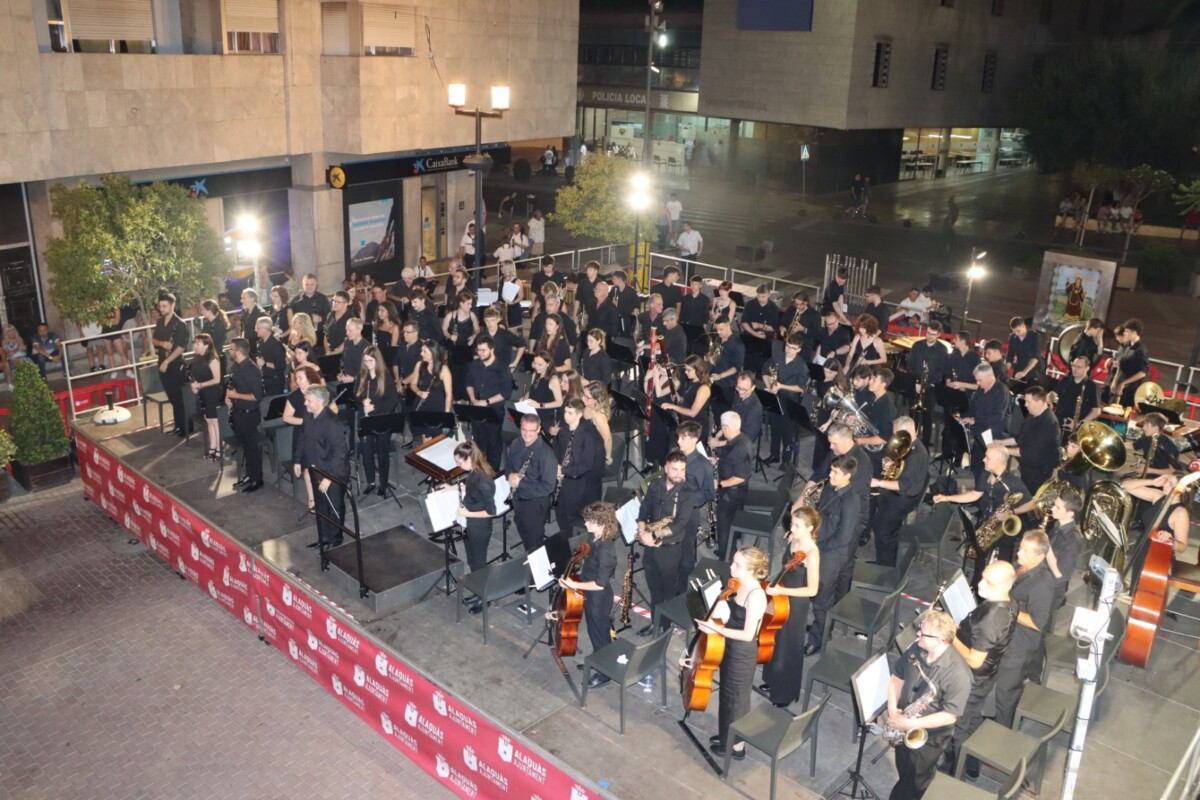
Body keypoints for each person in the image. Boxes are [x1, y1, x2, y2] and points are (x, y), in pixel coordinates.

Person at [886, 610, 973, 800]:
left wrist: (911, 725)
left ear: (940, 640)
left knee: (917, 782)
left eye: (922, 633)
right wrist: (893, 710)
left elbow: (951, 715)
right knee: (904, 770)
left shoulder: (959, 674)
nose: (917, 634)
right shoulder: (917, 648)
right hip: (903, 723)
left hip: (929, 738)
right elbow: (897, 677)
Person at [943, 562, 1018, 778]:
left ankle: (954, 775)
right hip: (987, 677)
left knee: (958, 728)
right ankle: (972, 765)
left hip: (971, 679)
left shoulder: (990, 621)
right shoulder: (1010, 603)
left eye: (988, 582)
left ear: (1005, 585)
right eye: (983, 577)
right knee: (973, 720)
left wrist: (951, 636)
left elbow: (974, 660)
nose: (980, 584)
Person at [694, 546, 768, 760]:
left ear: (750, 570)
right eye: (733, 562)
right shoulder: (738, 584)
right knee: (728, 695)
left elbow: (748, 635)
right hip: (730, 646)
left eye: (737, 565)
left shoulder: (756, 595)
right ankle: (728, 735)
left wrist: (717, 629)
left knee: (737, 699)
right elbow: (732, 615)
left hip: (742, 652)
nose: (731, 567)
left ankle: (736, 747)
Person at [934, 443, 1030, 577]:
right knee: (980, 562)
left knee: (1000, 566)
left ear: (999, 461)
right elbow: (974, 494)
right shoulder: (985, 475)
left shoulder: (1014, 483)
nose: (983, 459)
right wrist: (946, 498)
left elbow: (1031, 504)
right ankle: (977, 586)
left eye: (987, 457)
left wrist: (1011, 513)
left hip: (1004, 530)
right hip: (987, 524)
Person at [992, 531, 1055, 730]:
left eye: (1025, 551)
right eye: (1020, 548)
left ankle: (1003, 732)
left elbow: (1038, 622)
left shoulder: (1042, 584)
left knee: (1006, 692)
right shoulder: (1025, 568)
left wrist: (1006, 603)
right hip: (1010, 633)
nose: (1018, 553)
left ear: (1040, 556)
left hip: (1020, 644)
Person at [761, 506, 821, 707]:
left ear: (809, 527)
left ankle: (785, 694)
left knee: (788, 648)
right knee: (775, 640)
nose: (791, 528)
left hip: (795, 603)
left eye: (797, 525)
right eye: (792, 523)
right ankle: (772, 680)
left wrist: (781, 592)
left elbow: (812, 590)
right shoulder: (793, 539)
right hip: (781, 596)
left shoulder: (812, 553)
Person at [805, 455, 862, 655]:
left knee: (822, 598)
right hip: (821, 546)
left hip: (833, 554)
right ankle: (820, 628)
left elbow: (843, 538)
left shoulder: (851, 502)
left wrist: (816, 546)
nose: (830, 475)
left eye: (835, 473)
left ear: (847, 476)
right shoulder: (830, 488)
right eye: (831, 470)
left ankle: (818, 639)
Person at [637, 450, 697, 636]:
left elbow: (680, 525)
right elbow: (644, 510)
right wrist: (641, 530)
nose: (679, 474)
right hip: (651, 547)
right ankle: (656, 621)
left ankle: (665, 626)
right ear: (665, 468)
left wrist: (653, 533)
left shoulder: (687, 493)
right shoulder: (655, 485)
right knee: (654, 588)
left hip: (670, 550)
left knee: (668, 591)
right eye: (674, 469)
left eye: (682, 470)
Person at [560, 501, 620, 687]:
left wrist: (572, 584)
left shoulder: (606, 551)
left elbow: (600, 584)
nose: (585, 524)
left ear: (601, 523)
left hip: (598, 600)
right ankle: (598, 658)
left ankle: (604, 673)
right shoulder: (595, 537)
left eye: (590, 522)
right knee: (595, 633)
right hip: (591, 596)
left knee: (600, 634)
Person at [869, 416, 931, 567]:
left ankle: (886, 568)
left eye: (896, 433)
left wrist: (878, 482)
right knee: (877, 523)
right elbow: (901, 466)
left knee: (884, 532)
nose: (893, 437)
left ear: (906, 432)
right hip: (898, 494)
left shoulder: (916, 454)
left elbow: (905, 485)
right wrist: (890, 463)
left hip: (903, 499)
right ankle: (881, 561)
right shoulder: (909, 446)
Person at [298, 385, 350, 550]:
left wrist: (329, 477)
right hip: (316, 469)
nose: (305, 403)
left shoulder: (332, 423)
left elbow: (340, 453)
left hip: (332, 472)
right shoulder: (308, 416)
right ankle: (324, 537)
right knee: (321, 507)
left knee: (334, 507)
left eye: (308, 400)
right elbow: (302, 439)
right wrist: (297, 460)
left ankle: (335, 541)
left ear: (320, 402)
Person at [505, 413, 558, 553]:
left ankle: (538, 570)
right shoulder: (516, 443)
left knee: (534, 543)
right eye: (524, 429)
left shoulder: (546, 455)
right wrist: (509, 474)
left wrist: (520, 484)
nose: (526, 434)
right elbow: (508, 465)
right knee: (522, 530)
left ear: (539, 429)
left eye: (531, 430)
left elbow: (548, 487)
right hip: (518, 498)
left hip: (535, 504)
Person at [553, 399, 603, 533]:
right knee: (560, 512)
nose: (565, 416)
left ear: (579, 414)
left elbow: (586, 465)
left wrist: (564, 470)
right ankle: (564, 535)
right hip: (561, 478)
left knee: (570, 515)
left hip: (575, 481)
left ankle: (570, 540)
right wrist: (556, 466)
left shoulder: (587, 436)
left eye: (570, 413)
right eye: (565, 412)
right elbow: (556, 450)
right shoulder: (563, 431)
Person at [999, 386, 1061, 494]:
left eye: (1028, 402)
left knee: (1029, 501)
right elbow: (1020, 437)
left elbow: (1028, 452)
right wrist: (1001, 442)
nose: (1025, 405)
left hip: (1039, 472)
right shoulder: (1033, 416)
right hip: (1028, 468)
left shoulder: (1047, 423)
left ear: (1040, 402)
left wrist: (1003, 450)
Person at [453, 441, 497, 593]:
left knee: (479, 564)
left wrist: (467, 513)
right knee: (472, 561)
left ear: (469, 458)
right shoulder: (474, 472)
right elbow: (470, 486)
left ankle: (484, 596)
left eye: (460, 462)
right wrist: (453, 487)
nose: (459, 466)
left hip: (479, 527)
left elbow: (491, 511)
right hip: (471, 524)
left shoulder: (484, 481)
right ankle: (478, 591)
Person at [356, 345, 400, 496]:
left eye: (370, 361)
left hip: (382, 420)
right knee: (366, 452)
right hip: (366, 419)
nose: (367, 364)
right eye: (365, 361)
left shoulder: (385, 377)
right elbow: (355, 396)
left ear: (377, 360)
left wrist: (373, 408)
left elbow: (392, 401)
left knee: (382, 453)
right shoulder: (362, 376)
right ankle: (370, 482)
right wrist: (362, 402)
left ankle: (383, 483)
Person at [467, 335, 512, 472]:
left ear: (492, 349)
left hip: (494, 410)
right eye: (478, 350)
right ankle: (479, 471)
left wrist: (486, 402)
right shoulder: (474, 365)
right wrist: (473, 400)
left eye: (483, 350)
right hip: (477, 409)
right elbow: (469, 384)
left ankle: (493, 474)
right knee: (478, 443)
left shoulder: (502, 368)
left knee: (493, 445)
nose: (480, 353)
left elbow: (506, 393)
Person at [762, 333, 809, 465]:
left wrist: (781, 386)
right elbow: (765, 372)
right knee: (775, 428)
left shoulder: (801, 365)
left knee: (787, 432)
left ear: (799, 349)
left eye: (793, 348)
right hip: (774, 396)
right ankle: (774, 455)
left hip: (789, 401)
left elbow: (801, 388)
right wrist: (769, 386)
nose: (788, 350)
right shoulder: (777, 357)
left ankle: (786, 460)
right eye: (788, 346)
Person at [225, 338, 265, 493]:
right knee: (246, 447)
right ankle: (249, 475)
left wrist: (236, 395)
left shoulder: (251, 370)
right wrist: (228, 397)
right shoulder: (236, 366)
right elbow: (232, 385)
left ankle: (257, 479)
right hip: (237, 412)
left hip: (249, 414)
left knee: (252, 448)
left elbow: (257, 396)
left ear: (239, 351)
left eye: (231, 349)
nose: (230, 351)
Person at [712, 411, 753, 561]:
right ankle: (731, 547)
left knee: (723, 524)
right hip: (738, 491)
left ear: (726, 428)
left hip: (732, 492)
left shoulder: (739, 448)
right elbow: (731, 459)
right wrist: (717, 460)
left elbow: (741, 477)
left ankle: (725, 556)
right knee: (732, 520)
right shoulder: (740, 438)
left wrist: (720, 484)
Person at [284, 365, 324, 514]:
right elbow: (286, 417)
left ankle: (323, 494)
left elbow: (334, 409)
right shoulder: (294, 397)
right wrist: (305, 421)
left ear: (309, 378)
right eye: (296, 378)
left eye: (300, 378)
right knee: (308, 467)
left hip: (320, 433)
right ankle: (312, 498)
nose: (297, 381)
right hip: (303, 435)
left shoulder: (319, 392)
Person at [962, 363, 1011, 483]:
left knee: (987, 469)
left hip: (994, 434)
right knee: (976, 464)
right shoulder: (981, 388)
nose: (977, 383)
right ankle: (978, 487)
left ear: (990, 377)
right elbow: (974, 406)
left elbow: (997, 417)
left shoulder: (1001, 392)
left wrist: (975, 420)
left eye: (980, 380)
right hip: (980, 431)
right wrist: (964, 416)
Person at [152, 293, 190, 437]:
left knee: (178, 398)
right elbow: (154, 340)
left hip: (174, 364)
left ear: (173, 305)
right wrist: (162, 343)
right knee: (172, 397)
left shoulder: (180, 324)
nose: (161, 309)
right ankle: (179, 426)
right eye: (160, 306)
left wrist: (167, 362)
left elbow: (181, 347)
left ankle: (185, 427)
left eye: (164, 306)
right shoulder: (161, 322)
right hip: (162, 362)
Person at [906, 322, 948, 446]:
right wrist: (916, 383)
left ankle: (925, 444)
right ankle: (910, 441)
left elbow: (941, 372)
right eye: (928, 333)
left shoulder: (942, 350)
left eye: (933, 334)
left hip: (930, 388)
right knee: (913, 415)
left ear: (938, 335)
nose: (929, 336)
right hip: (916, 385)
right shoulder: (917, 346)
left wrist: (926, 386)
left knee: (927, 417)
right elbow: (910, 366)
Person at [1044, 489, 1084, 610]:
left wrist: (1045, 545)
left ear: (1070, 513)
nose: (1052, 509)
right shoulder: (1057, 525)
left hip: (1051, 590)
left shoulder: (1072, 540)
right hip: (1044, 579)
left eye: (1057, 507)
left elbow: (1059, 574)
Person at [188, 333, 224, 463]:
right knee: (208, 420)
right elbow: (195, 375)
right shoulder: (197, 358)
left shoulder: (213, 359)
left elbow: (217, 379)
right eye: (195, 343)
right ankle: (212, 448)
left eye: (197, 343)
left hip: (212, 393)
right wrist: (194, 385)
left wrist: (200, 385)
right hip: (203, 392)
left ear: (206, 345)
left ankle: (219, 449)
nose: (195, 346)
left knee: (214, 421)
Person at [408, 340, 453, 442]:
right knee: (426, 441)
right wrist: (419, 392)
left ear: (433, 353)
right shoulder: (419, 365)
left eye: (424, 351)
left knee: (438, 441)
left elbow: (449, 394)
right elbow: (413, 384)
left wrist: (446, 414)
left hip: (438, 408)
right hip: (423, 406)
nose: (421, 353)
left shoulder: (443, 369)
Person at [1053, 355, 1102, 436]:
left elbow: (1096, 411)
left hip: (1075, 426)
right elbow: (1053, 393)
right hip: (1058, 421)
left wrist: (1078, 423)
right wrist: (1050, 398)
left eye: (1079, 367)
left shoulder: (1092, 386)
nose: (1074, 369)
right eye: (1074, 366)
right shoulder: (1066, 380)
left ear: (1087, 368)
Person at [1108, 318, 1148, 406]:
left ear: (1134, 333)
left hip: (1130, 387)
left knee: (1121, 411)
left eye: (1127, 331)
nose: (1125, 333)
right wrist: (1115, 380)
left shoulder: (1141, 350)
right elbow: (1120, 365)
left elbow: (1142, 373)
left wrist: (1124, 383)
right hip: (1120, 381)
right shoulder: (1126, 345)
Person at [1131, 412, 1180, 477]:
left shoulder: (1169, 446)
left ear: (1156, 428)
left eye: (1147, 425)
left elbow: (1172, 471)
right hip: (1149, 473)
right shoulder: (1146, 437)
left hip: (1162, 479)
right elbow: (1133, 445)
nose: (1143, 427)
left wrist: (1149, 470)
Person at [253, 316, 286, 396]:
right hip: (265, 379)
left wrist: (265, 364)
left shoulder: (276, 345)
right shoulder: (260, 342)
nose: (256, 330)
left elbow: (281, 366)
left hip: (275, 382)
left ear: (266, 329)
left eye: (258, 328)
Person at [582, 381, 613, 467]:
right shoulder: (586, 406)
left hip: (594, 454)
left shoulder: (599, 416)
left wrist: (608, 457)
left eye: (587, 397)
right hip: (584, 446)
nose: (583, 398)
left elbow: (607, 439)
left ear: (596, 399)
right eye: (583, 394)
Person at [1006, 316, 1043, 382]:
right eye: (1014, 332)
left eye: (1018, 331)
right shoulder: (1012, 337)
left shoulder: (1035, 336)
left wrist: (1024, 372)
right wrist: (1004, 371)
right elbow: (1010, 356)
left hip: (1035, 369)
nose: (1016, 334)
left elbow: (1035, 357)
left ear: (1023, 326)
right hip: (1020, 366)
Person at [239, 289, 267, 358]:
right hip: (247, 347)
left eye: (244, 298)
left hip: (256, 349)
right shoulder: (243, 312)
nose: (241, 301)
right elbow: (243, 328)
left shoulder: (261, 314)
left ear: (252, 299)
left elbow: (264, 334)